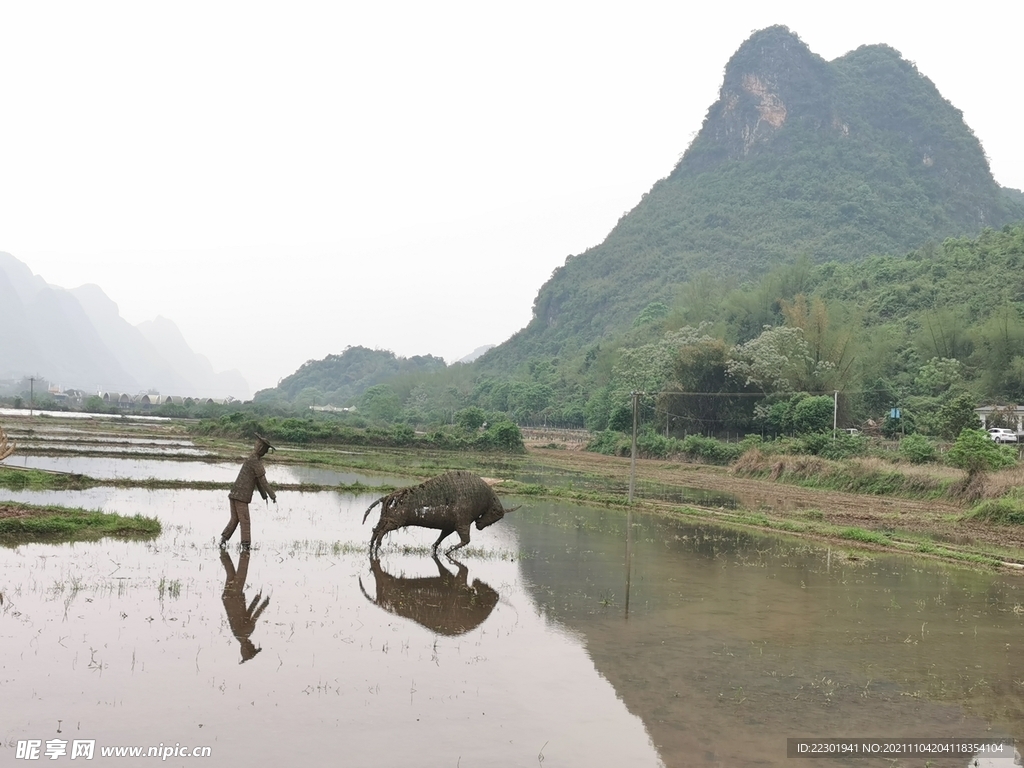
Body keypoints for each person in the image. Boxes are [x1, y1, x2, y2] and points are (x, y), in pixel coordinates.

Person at [220, 434, 276, 549]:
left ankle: (223, 540)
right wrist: (272, 495)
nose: (265, 452)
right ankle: (246, 545)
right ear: (261, 449)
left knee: (235, 520)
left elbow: (257, 481)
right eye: (264, 449)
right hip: (241, 496)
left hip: (234, 493)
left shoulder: (252, 459)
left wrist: (264, 496)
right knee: (245, 521)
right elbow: (263, 481)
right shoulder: (255, 461)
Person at [219, 549, 270, 663]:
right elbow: (249, 613)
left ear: (248, 647)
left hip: (235, 597)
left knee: (241, 572)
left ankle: (240, 553)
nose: (253, 644)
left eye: (252, 647)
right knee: (231, 574)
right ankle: (223, 554)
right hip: (227, 598)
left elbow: (254, 614)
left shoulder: (246, 632)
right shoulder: (238, 635)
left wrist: (264, 603)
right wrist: (257, 599)